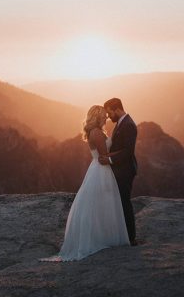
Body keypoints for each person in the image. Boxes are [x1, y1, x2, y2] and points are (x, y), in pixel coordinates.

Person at [39, 105, 130, 262]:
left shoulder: (94, 132)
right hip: (101, 170)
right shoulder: (97, 133)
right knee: (103, 203)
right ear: (97, 116)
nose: (106, 118)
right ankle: (102, 238)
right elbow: (103, 157)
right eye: (103, 115)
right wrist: (124, 153)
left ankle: (102, 236)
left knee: (100, 204)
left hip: (97, 170)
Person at [99, 98, 138, 245]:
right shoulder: (121, 123)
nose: (108, 117)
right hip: (120, 169)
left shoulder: (128, 125)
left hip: (125, 170)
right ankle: (123, 235)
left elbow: (128, 151)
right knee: (120, 202)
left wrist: (109, 160)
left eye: (109, 113)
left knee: (124, 203)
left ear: (116, 109)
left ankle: (130, 238)